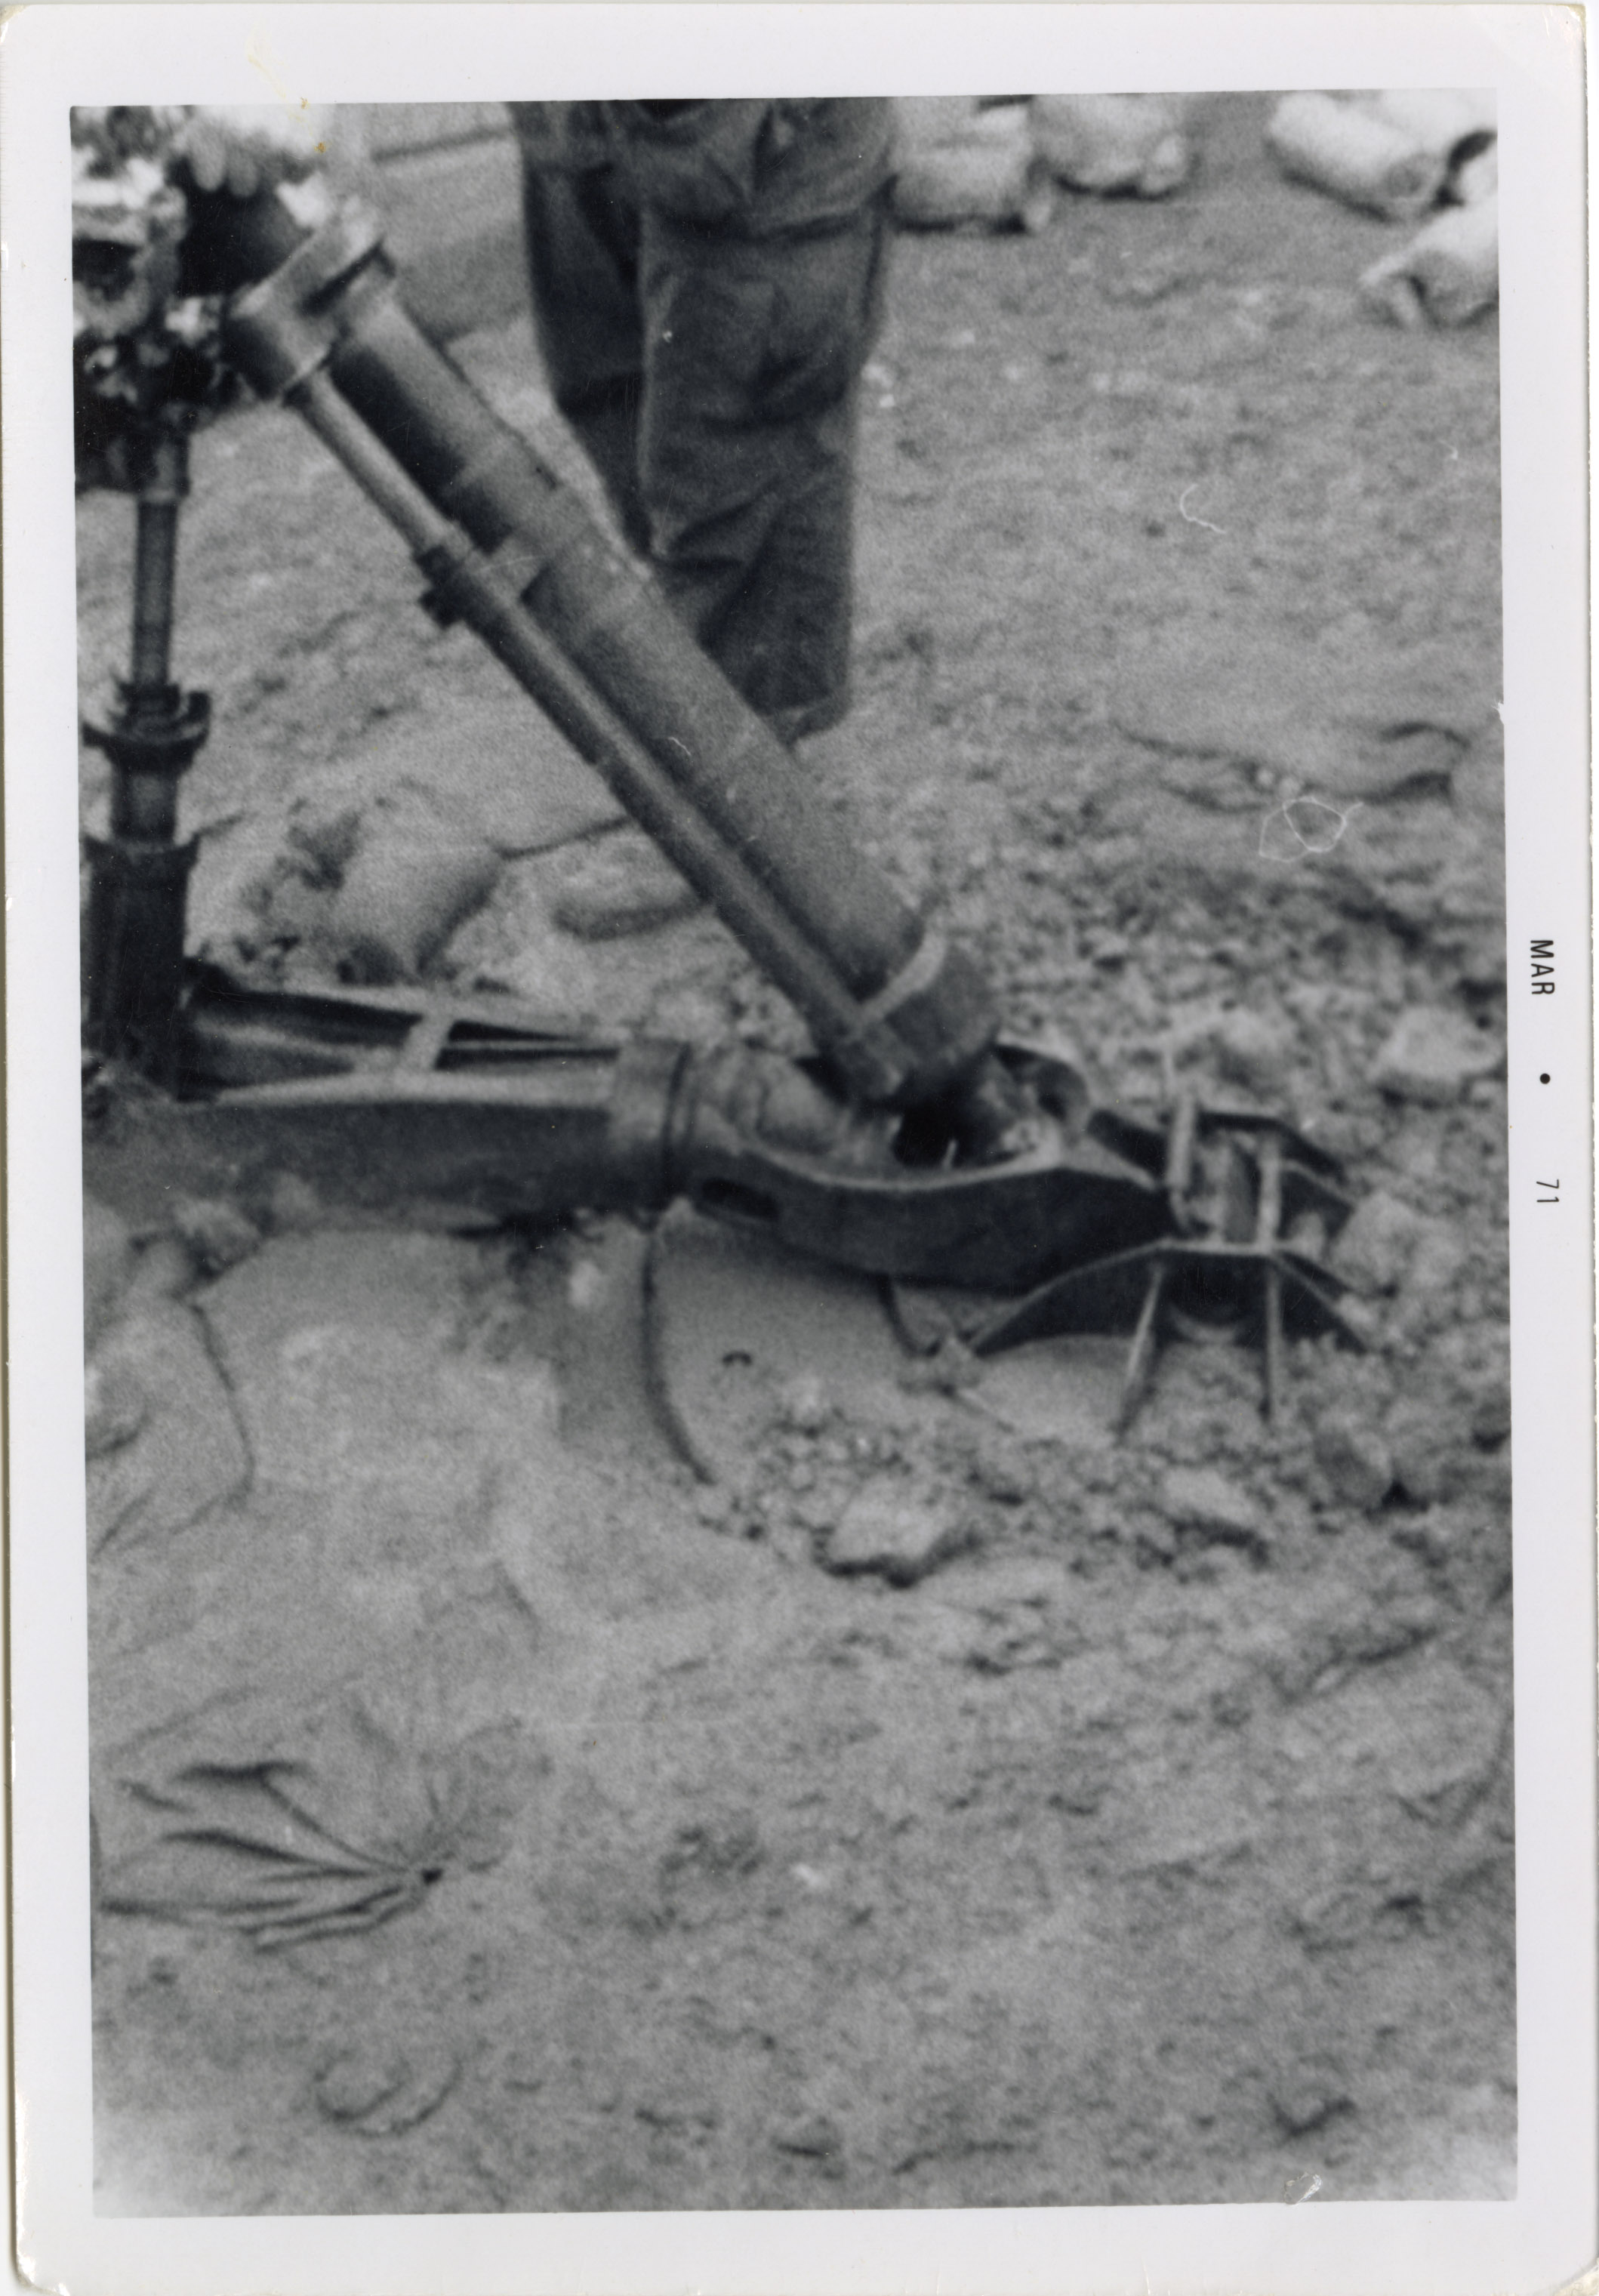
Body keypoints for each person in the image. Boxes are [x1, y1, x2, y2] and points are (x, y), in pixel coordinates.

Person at [508, 99, 895, 749]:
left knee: (743, 513)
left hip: (746, 121)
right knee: (633, 440)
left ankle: (758, 809)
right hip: (580, 99)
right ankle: (719, 737)